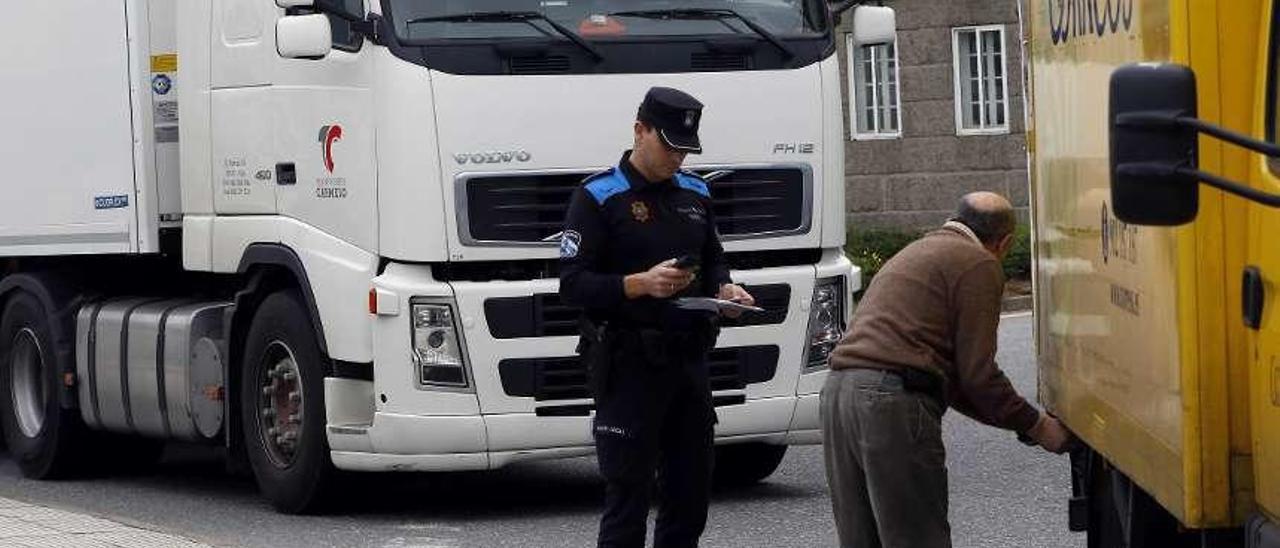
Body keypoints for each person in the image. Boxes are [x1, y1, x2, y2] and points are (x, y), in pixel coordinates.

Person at [820, 192, 1073, 548]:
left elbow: (956, 383)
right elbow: (978, 376)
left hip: (838, 395)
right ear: (1005, 243)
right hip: (889, 402)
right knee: (917, 538)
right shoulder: (978, 264)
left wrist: (1020, 422)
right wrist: (1038, 425)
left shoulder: (918, 251)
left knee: (862, 540)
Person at [559, 86, 754, 548]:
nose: (677, 158)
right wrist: (637, 284)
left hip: (688, 364)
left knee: (690, 496)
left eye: (686, 149)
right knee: (628, 497)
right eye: (669, 145)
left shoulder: (696, 192)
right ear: (639, 130)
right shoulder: (598, 197)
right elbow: (572, 284)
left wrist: (725, 288)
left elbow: (713, 258)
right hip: (628, 364)